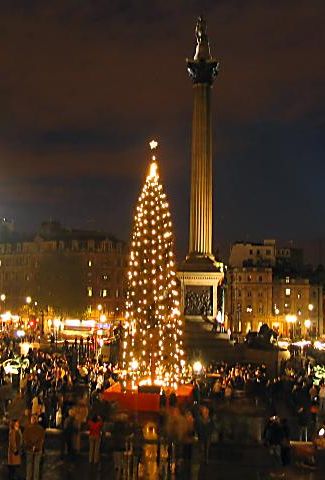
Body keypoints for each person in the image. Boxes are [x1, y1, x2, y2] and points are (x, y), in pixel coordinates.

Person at [23, 414, 45, 480]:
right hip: (38, 449)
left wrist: (31, 446)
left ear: (31, 420)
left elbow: (25, 439)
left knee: (29, 465)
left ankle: (28, 478)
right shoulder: (41, 429)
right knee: (36, 466)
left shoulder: (27, 428)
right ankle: (35, 478)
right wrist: (36, 446)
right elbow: (42, 440)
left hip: (29, 449)